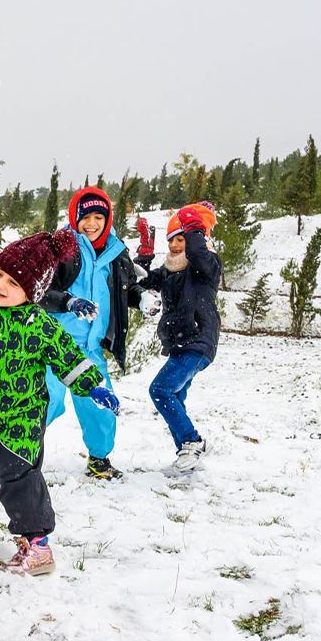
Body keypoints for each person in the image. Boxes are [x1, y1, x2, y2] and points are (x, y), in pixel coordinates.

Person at [0, 229, 118, 576]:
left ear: (32, 292)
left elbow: (69, 358)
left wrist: (93, 387)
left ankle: (37, 544)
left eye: (12, 282)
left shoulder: (40, 324)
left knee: (19, 476)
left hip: (22, 416)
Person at [38, 186, 142, 480]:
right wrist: (68, 302)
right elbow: (39, 291)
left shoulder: (116, 253)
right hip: (54, 344)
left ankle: (99, 460)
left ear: (107, 219)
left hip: (91, 348)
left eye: (99, 216)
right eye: (86, 217)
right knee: (44, 402)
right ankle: (18, 454)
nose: (92, 223)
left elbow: (126, 288)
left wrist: (141, 297)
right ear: (75, 217)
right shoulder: (61, 247)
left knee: (100, 405)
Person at [135, 204, 221, 476]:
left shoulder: (207, 265)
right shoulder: (170, 269)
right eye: (171, 239)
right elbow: (144, 280)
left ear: (198, 238)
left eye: (181, 239)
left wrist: (194, 224)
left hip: (197, 341)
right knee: (176, 397)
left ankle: (191, 443)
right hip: (180, 344)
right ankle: (188, 456)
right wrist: (145, 253)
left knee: (160, 390)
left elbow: (197, 251)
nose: (174, 245)